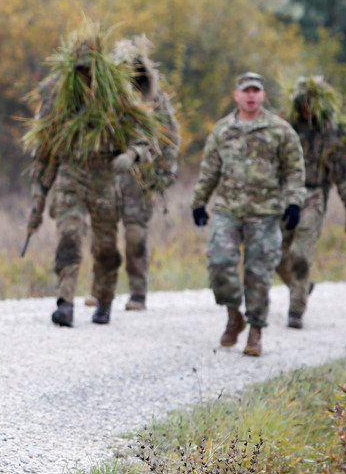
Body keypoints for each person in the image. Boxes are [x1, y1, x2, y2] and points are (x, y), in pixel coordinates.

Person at [24, 25, 161, 327]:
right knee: (69, 237)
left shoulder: (115, 94)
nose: (84, 74)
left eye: (89, 68)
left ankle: (105, 298)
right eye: (79, 69)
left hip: (104, 177)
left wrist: (131, 155)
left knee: (105, 247)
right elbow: (44, 150)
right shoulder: (58, 96)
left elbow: (145, 136)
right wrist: (38, 196)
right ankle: (65, 302)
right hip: (70, 174)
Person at [191, 72, 305, 356]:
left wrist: (294, 203)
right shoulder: (222, 130)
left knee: (259, 274)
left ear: (263, 95)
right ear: (237, 95)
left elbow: (294, 171)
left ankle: (255, 330)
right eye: (246, 91)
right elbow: (209, 172)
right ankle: (233, 315)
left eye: (256, 91)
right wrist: (198, 202)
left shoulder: (280, 130)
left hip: (265, 213)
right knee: (219, 263)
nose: (251, 96)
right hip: (228, 210)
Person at [84, 36, 180, 311]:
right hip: (108, 174)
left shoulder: (154, 99)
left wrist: (165, 173)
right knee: (103, 236)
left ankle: (138, 292)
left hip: (140, 175)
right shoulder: (105, 97)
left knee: (135, 235)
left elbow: (169, 136)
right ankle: (100, 288)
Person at [276, 76, 346, 329]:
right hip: (286, 195)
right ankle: (302, 285)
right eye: (303, 103)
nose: (307, 108)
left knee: (301, 253)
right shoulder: (285, 129)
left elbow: (344, 175)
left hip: (314, 196)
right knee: (275, 253)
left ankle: (296, 309)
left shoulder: (332, 135)